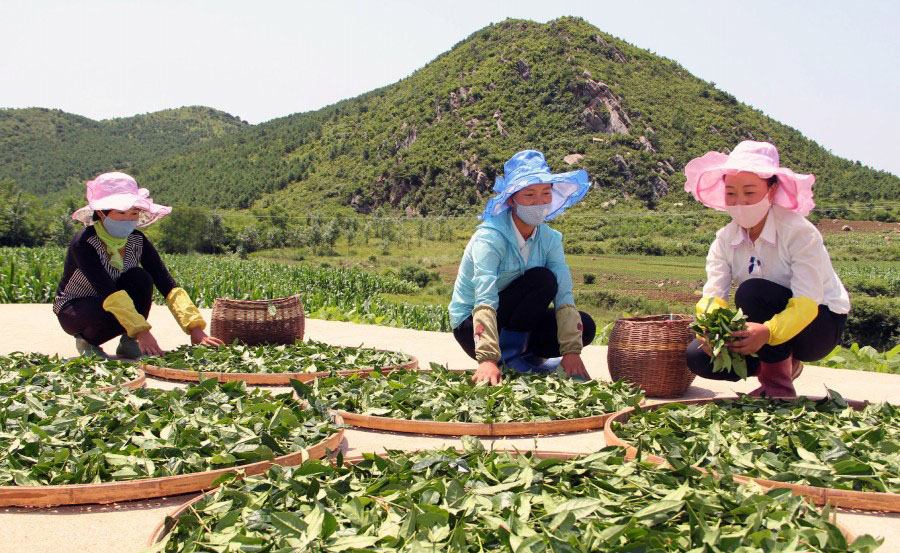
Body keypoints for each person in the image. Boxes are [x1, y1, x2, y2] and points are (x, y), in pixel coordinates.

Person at [683, 141, 850, 397]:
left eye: (749, 193)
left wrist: (769, 332)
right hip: (767, 325)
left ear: (771, 191)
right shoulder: (725, 239)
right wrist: (711, 328)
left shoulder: (799, 233)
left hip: (819, 324)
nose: (739, 202)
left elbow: (807, 303)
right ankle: (782, 365)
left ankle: (778, 387)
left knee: (752, 293)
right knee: (698, 356)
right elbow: (713, 295)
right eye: (731, 193)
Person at [449, 150, 596, 385]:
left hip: (517, 321)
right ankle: (503, 360)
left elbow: (564, 294)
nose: (539, 202)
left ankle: (524, 356)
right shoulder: (490, 238)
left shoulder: (549, 239)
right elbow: (484, 296)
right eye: (529, 194)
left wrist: (571, 352)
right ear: (511, 199)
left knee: (585, 326)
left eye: (545, 193)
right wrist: (487, 358)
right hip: (473, 326)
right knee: (541, 280)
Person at [54, 172, 224, 358]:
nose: (128, 218)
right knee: (105, 313)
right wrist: (142, 331)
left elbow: (167, 284)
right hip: (78, 307)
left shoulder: (137, 240)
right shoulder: (84, 242)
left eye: (133, 213)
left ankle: (128, 342)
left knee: (141, 278)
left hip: (113, 301)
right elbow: (108, 291)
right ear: (102, 214)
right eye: (121, 213)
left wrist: (195, 328)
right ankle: (87, 342)